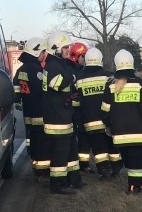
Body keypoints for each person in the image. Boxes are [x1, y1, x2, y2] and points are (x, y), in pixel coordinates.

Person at [101, 49, 142, 193]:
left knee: (128, 159)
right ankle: (135, 186)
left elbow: (105, 110)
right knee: (137, 161)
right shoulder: (140, 83)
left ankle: (133, 183)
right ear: (132, 63)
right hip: (138, 131)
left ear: (116, 65)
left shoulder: (110, 85)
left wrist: (109, 125)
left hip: (119, 132)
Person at [74, 47, 123, 180]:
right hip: (109, 120)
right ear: (100, 60)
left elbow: (76, 103)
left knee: (98, 149)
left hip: (90, 122)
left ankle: (104, 171)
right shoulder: (109, 77)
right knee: (112, 145)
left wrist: (79, 120)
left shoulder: (79, 80)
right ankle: (116, 168)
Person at [41, 32, 79, 195]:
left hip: (62, 115)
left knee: (70, 150)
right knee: (60, 153)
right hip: (57, 119)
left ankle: (74, 179)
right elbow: (57, 84)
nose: (67, 50)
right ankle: (58, 184)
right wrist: (72, 79)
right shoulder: (54, 66)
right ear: (55, 48)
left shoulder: (56, 64)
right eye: (64, 47)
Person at [15, 39, 50, 177]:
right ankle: (43, 171)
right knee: (42, 142)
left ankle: (36, 166)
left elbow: (17, 90)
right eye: (43, 52)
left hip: (28, 112)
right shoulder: (36, 69)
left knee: (34, 141)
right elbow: (43, 90)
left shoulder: (20, 69)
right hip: (39, 112)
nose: (44, 55)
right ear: (36, 53)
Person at [65, 42, 92, 173]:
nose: (85, 60)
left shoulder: (83, 70)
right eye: (83, 56)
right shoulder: (68, 69)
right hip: (70, 110)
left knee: (83, 136)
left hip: (81, 109)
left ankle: (84, 163)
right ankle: (73, 163)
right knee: (71, 137)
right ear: (75, 56)